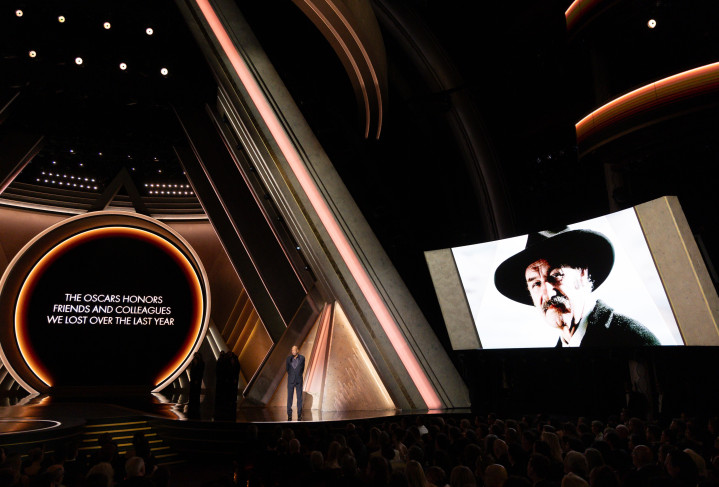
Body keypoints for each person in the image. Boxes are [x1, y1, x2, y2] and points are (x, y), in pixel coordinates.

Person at [494, 227, 660, 347]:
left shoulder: (631, 339)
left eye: (556, 275)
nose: (548, 293)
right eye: (536, 283)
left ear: (582, 273)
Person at [286, 345, 305, 421]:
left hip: (298, 381)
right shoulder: (288, 359)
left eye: (294, 350)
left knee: (299, 398)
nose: (293, 351)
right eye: (292, 350)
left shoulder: (302, 358)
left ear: (297, 350)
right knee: (289, 398)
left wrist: (298, 375)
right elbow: (287, 369)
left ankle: (299, 414)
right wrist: (292, 375)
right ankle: (289, 415)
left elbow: (302, 368)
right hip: (291, 381)